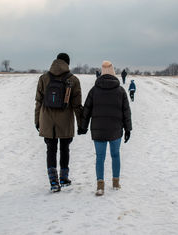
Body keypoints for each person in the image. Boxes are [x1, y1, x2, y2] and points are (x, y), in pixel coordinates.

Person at [79, 61, 132, 196]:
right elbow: (126, 111)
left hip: (98, 130)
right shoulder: (120, 91)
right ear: (114, 72)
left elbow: (86, 110)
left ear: (101, 72)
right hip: (115, 130)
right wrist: (128, 129)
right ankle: (115, 183)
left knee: (100, 157)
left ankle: (100, 186)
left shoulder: (94, 90)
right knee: (115, 155)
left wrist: (83, 126)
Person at [34, 53, 83, 192]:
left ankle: (53, 181)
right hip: (65, 120)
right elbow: (77, 105)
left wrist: (37, 120)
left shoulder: (43, 78)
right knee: (64, 148)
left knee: (51, 149)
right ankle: (63, 178)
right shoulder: (73, 80)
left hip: (47, 120)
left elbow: (38, 101)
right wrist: (81, 123)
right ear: (67, 63)